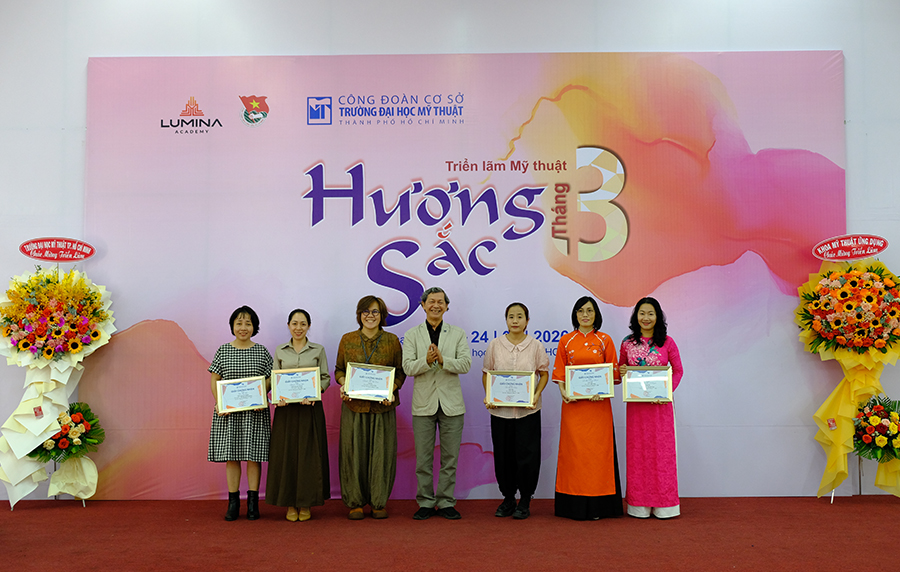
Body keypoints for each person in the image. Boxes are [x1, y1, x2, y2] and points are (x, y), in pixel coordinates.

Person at [551, 296, 624, 520]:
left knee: (598, 455)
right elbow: (560, 373)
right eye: (581, 311)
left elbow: (613, 374)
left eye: (590, 311)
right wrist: (564, 392)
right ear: (575, 314)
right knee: (574, 455)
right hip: (573, 407)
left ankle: (599, 507)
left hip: (598, 407)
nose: (585, 315)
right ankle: (573, 506)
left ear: (596, 315)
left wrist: (604, 388)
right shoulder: (566, 340)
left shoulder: (604, 340)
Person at [402, 287, 472, 520]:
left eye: (440, 301)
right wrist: (426, 361)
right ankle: (425, 502)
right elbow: (407, 367)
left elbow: (465, 364)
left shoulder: (457, 333)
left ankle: (445, 502)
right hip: (423, 404)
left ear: (446, 306)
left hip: (452, 404)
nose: (436, 305)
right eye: (431, 301)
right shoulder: (412, 334)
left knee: (450, 458)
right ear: (423, 305)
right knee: (423, 459)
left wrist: (443, 360)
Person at [334, 295, 406, 520]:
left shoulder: (392, 341)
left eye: (375, 311)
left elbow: (400, 372)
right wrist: (344, 383)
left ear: (382, 315)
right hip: (354, 407)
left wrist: (392, 389)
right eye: (366, 311)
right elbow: (339, 370)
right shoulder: (347, 339)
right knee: (353, 453)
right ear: (359, 315)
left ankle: (378, 501)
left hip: (382, 408)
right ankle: (355, 502)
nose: (370, 316)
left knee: (381, 454)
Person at [482, 302, 549, 520]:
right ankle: (508, 498)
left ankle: (526, 500)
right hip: (500, 412)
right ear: (506, 320)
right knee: (503, 456)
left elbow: (544, 373)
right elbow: (487, 373)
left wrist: (536, 394)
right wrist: (490, 395)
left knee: (528, 456)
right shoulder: (495, 345)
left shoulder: (536, 345)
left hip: (528, 412)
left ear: (527, 321)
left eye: (520, 316)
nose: (515, 321)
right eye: (511, 316)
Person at [618, 297, 684, 519]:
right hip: (637, 409)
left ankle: (665, 505)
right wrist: (622, 371)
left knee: (662, 454)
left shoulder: (668, 342)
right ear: (636, 316)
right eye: (642, 313)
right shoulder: (627, 343)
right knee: (638, 453)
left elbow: (678, 370)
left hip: (660, 408)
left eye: (651, 313)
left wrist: (666, 392)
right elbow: (620, 371)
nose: (646, 318)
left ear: (658, 317)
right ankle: (639, 505)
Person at [208, 305, 273, 521]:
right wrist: (220, 403)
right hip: (229, 414)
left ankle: (253, 503)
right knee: (232, 457)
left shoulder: (262, 351)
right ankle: (233, 503)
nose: (243, 328)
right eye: (239, 323)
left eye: (248, 323)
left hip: (255, 412)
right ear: (232, 326)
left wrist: (261, 395)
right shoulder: (223, 351)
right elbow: (214, 378)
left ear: (254, 327)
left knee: (254, 458)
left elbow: (271, 378)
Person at [266, 309, 331, 522]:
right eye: (294, 323)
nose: (298, 328)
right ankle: (289, 503)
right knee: (287, 455)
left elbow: (325, 378)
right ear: (288, 325)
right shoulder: (280, 350)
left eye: (303, 324)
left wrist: (316, 392)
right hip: (286, 411)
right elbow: (275, 379)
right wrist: (277, 397)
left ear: (309, 326)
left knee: (309, 456)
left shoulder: (318, 349)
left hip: (310, 409)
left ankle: (306, 503)